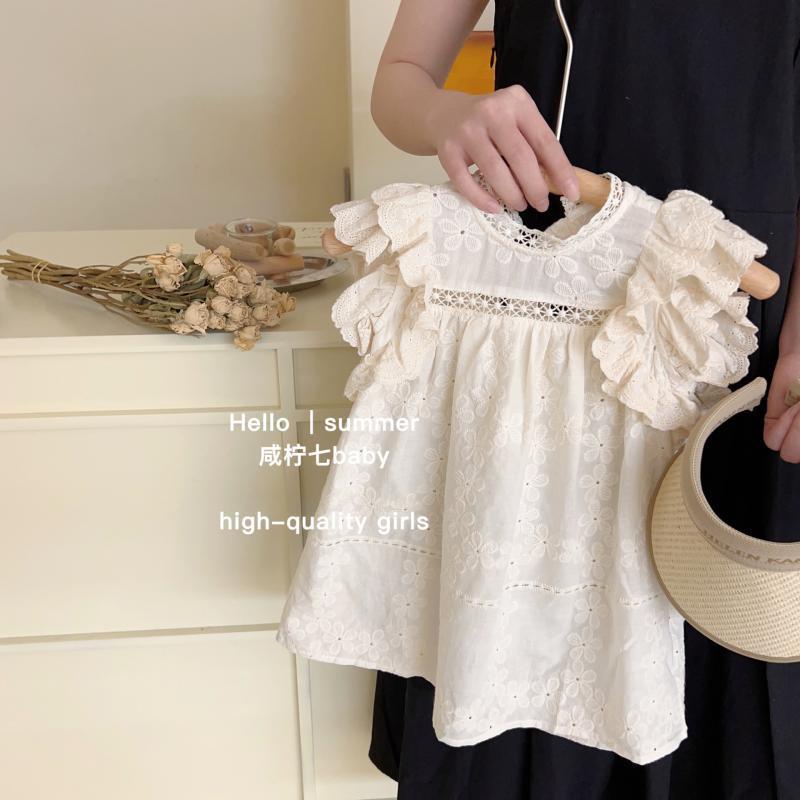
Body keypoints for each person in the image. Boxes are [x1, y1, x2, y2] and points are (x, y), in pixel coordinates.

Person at [365, 1, 800, 798]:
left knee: (733, 716)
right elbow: (399, 81)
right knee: (517, 705)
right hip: (535, 316)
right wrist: (445, 114)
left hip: (741, 329)